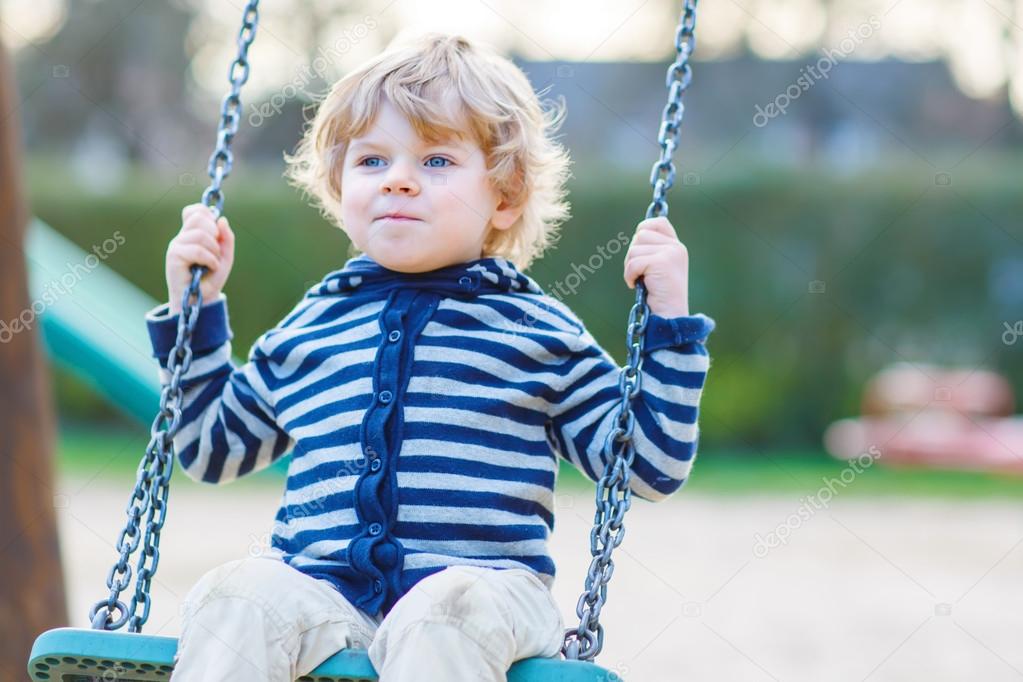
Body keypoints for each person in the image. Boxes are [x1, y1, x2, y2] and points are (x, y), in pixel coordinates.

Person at [146, 31, 716, 682]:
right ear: (338, 186)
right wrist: (193, 311)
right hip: (327, 596)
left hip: (489, 596)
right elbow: (210, 449)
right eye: (371, 161)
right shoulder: (313, 326)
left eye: (436, 161)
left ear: (504, 196)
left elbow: (643, 465)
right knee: (236, 593)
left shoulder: (535, 332)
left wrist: (668, 321)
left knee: (440, 612)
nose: (398, 182)